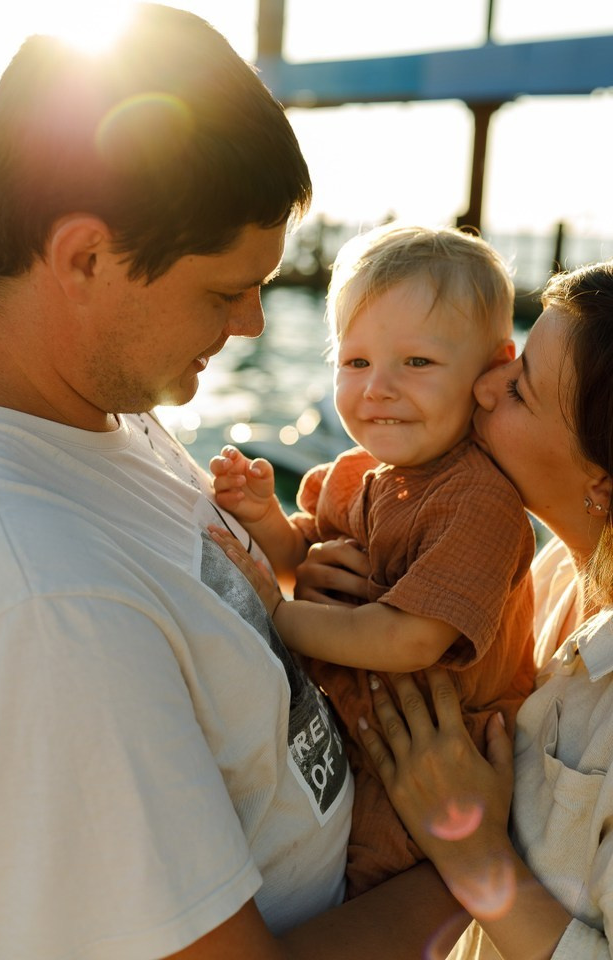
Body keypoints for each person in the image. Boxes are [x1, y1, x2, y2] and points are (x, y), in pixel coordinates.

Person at [0, 7, 467, 958]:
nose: (251, 325)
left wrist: (291, 582)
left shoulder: (89, 404)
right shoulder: (48, 602)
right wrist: (484, 872)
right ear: (84, 256)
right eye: (221, 291)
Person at [294, 258, 613, 957]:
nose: (488, 383)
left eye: (522, 388)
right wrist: (335, 582)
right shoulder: (555, 572)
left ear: (602, 483)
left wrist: (475, 857)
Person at [209, 223, 536, 897]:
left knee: (361, 903)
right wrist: (264, 518)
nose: (378, 389)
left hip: (437, 769)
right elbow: (307, 555)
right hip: (365, 744)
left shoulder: (479, 501)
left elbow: (410, 635)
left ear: (492, 370)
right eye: (355, 362)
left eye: (416, 363)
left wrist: (276, 612)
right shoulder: (359, 473)